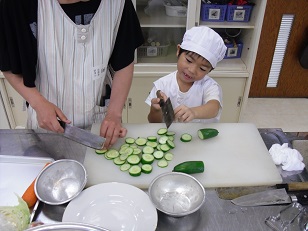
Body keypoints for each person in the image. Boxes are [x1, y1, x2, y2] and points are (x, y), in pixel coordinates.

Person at [0, 0, 144, 149]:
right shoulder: (17, 5)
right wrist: (38, 103)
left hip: (100, 121)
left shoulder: (118, 3)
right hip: (46, 122)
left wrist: (114, 113)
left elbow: (124, 59)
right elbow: (9, 65)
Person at [145, 26, 227, 124]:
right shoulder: (162, 85)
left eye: (202, 68)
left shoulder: (209, 86)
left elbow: (214, 107)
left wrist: (194, 112)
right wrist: (156, 111)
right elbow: (153, 122)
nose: (192, 70)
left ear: (210, 70)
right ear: (178, 51)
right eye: (189, 60)